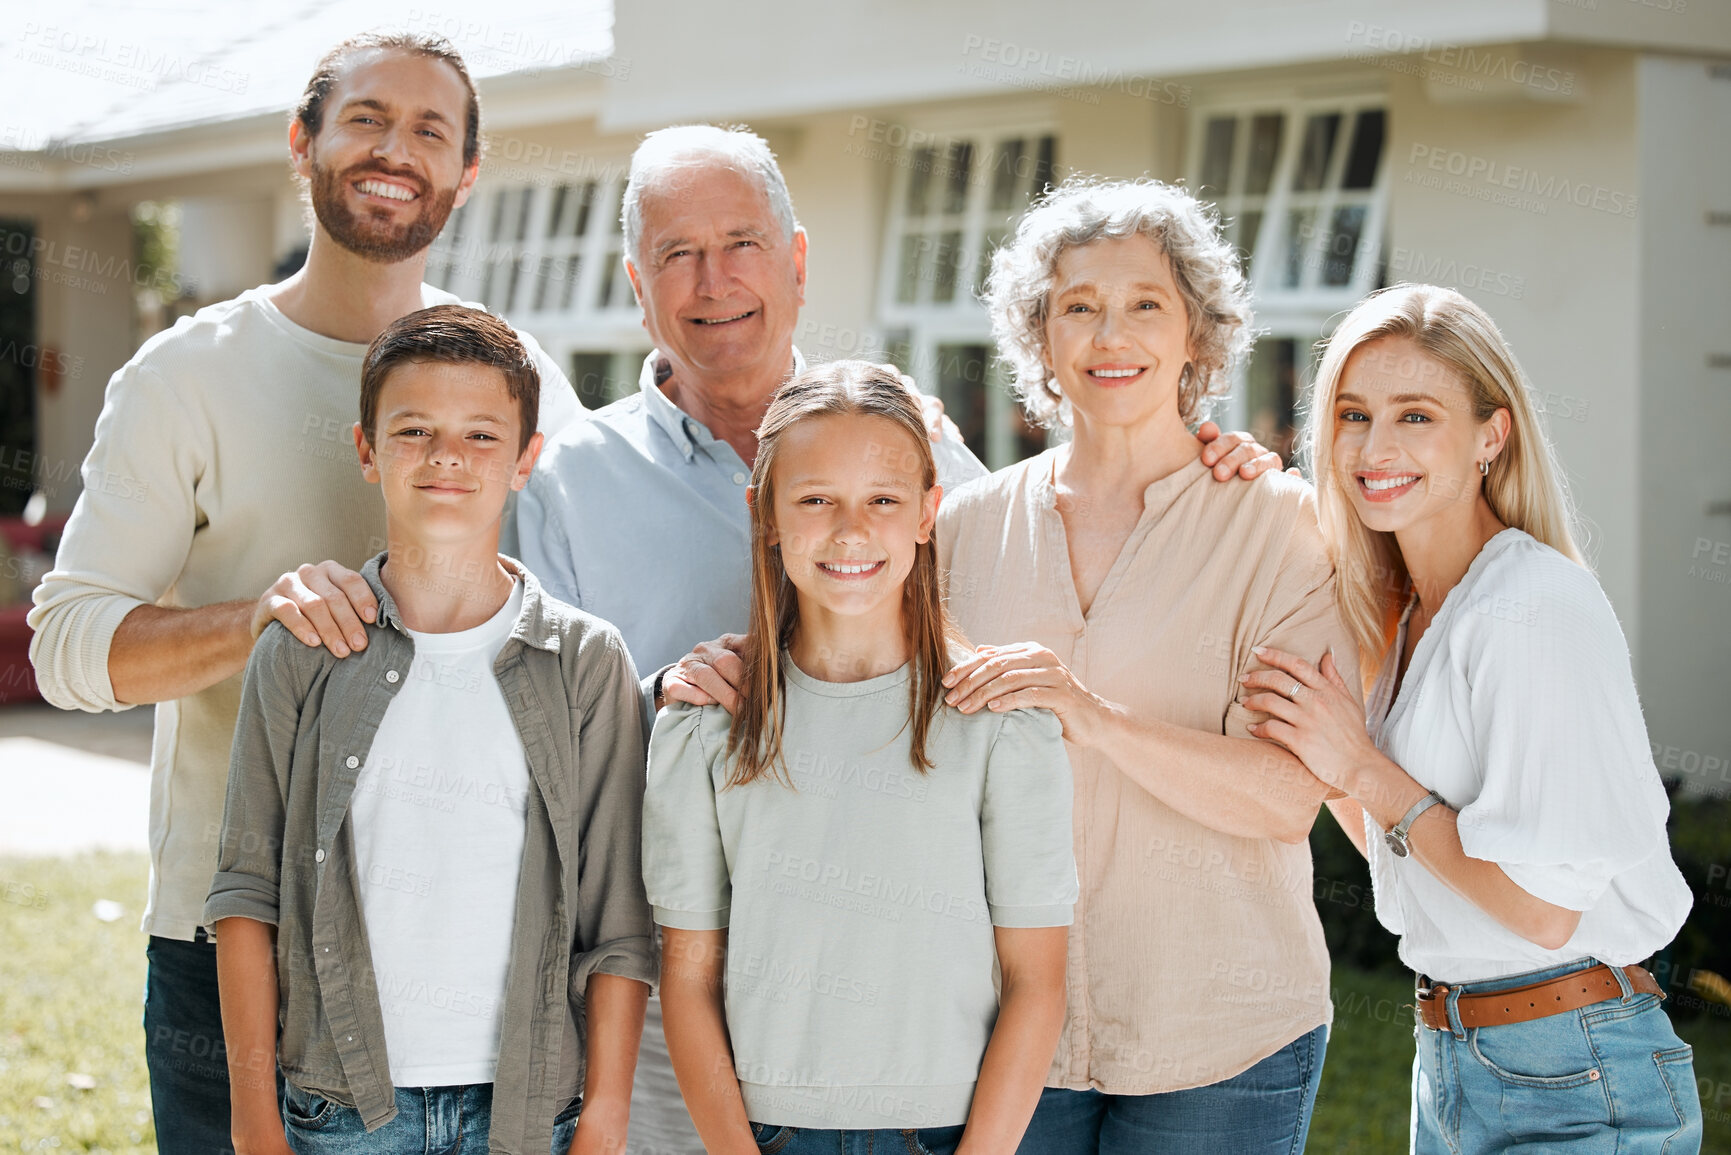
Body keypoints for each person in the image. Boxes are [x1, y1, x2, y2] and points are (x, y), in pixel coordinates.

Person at [512, 126, 1282, 1152]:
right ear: (636, 283)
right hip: (679, 999)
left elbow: (1044, 528)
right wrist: (662, 701)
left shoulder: (909, 435)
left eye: (741, 241)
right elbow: (532, 738)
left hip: (930, 1056)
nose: (713, 279)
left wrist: (1194, 454)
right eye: (676, 253)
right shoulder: (564, 481)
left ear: (795, 259)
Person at [666, 177, 1351, 1154]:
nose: (1112, 336)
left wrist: (1094, 715)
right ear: (1040, 336)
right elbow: (849, 650)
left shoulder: (1277, 523)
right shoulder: (972, 522)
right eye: (1079, 307)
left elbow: (1290, 798)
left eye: (1145, 305)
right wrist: (733, 668)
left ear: (1197, 333)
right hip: (1005, 1037)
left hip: (1220, 1033)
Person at [26, 33, 584, 1154]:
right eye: (367, 119)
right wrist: (262, 620)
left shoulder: (517, 375)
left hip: (463, 940)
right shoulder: (186, 376)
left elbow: (578, 617)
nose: (397, 151)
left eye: (432, 131)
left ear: (467, 175)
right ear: (304, 144)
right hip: (234, 941)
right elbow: (67, 651)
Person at [1240, 284, 1700, 1154]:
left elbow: (1540, 912)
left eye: (1415, 416)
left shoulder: (1527, 605)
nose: (1374, 447)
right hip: (1454, 1055)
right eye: (1351, 414)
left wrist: (1364, 768)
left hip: (1574, 1066)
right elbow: (1401, 853)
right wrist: (1241, 490)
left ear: (1492, 435)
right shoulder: (1409, 616)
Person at [203, 306, 653, 1155]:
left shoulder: (588, 663)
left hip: (529, 1110)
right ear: (367, 450)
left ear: (526, 458)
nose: (447, 455)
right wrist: (254, 1118)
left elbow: (617, 920)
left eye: (482, 435)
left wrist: (604, 1119)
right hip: (340, 1108)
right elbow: (245, 895)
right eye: (414, 429)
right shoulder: (302, 651)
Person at [644, 361, 1076, 1155]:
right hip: (767, 1132)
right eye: (815, 499)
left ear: (926, 512)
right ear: (765, 513)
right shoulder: (703, 728)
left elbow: (1036, 982)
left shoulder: (1003, 724)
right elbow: (689, 977)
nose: (850, 531)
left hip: (947, 1133)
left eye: (882, 499)